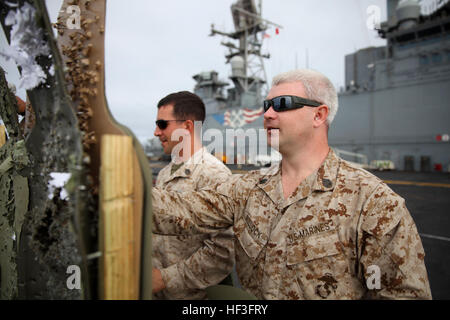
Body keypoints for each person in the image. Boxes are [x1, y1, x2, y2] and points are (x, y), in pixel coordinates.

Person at [151, 69, 432, 300]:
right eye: (266, 105)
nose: (268, 114)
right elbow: (179, 212)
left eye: (282, 104)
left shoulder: (374, 203)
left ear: (319, 115)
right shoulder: (246, 189)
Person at [151, 91, 235, 299]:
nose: (155, 132)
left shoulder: (214, 175)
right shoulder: (163, 174)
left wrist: (165, 278)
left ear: (187, 127)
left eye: (162, 124)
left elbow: (224, 252)